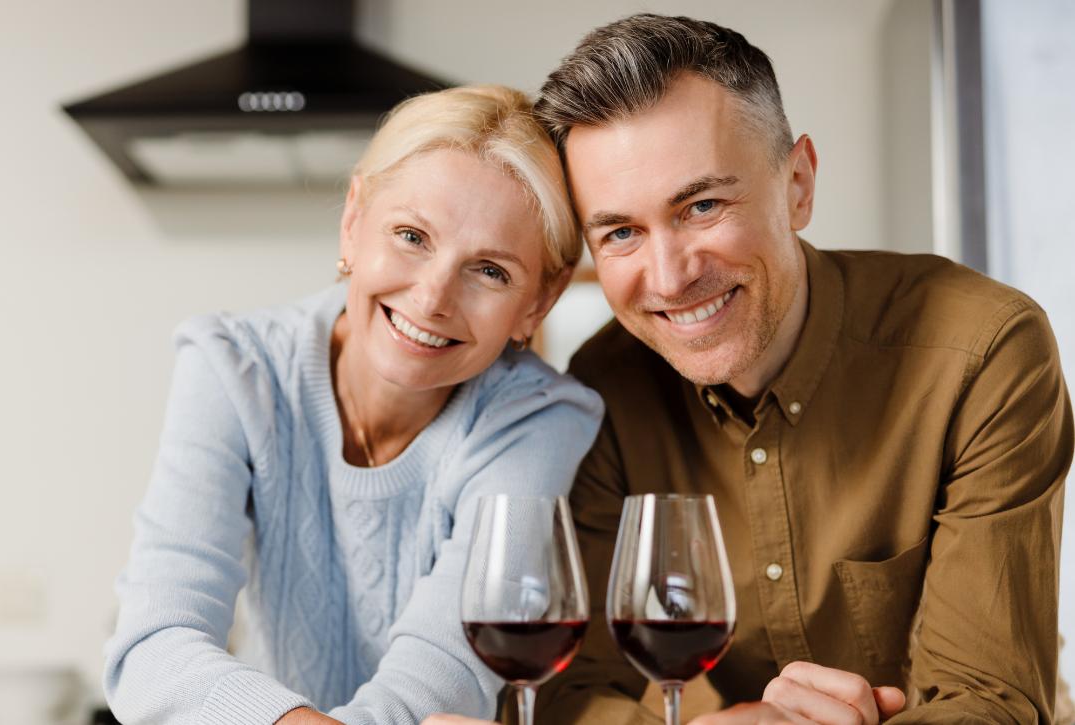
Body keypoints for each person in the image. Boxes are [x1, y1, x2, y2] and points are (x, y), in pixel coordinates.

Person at [425, 13, 1072, 725]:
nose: (669, 278)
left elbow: (989, 704)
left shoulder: (981, 350)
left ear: (798, 185)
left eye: (702, 205)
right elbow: (569, 692)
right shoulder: (604, 386)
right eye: (621, 232)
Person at [101, 85, 605, 725]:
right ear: (353, 220)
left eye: (490, 271)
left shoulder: (538, 418)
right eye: (411, 236)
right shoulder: (234, 366)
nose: (432, 299)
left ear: (540, 302)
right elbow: (152, 643)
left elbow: (443, 673)